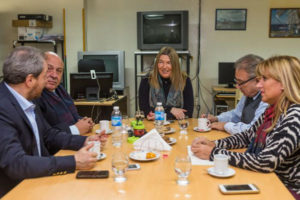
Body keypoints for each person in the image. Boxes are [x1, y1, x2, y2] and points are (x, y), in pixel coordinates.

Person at [0, 46, 107, 197]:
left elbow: (48, 135)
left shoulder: (28, 99)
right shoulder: (3, 107)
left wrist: (84, 141)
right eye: (44, 76)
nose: (47, 81)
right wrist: (73, 161)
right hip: (16, 190)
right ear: (30, 80)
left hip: (39, 178)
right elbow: (16, 164)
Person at [191, 56, 300, 199]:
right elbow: (248, 136)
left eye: (264, 79)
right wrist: (214, 144)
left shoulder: (294, 116)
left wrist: (214, 153)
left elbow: (265, 162)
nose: (259, 85)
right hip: (269, 180)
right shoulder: (273, 110)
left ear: (283, 83)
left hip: (285, 190)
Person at [206, 54, 268, 135]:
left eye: (241, 82)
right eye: (236, 81)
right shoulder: (248, 95)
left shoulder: (267, 99)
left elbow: (253, 130)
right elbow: (236, 115)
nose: (237, 87)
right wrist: (217, 119)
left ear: (257, 80)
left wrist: (226, 126)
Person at [35, 51, 94, 135]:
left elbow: (74, 117)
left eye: (59, 71)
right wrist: (76, 129)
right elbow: (46, 134)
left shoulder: (60, 89)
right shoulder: (35, 96)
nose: (54, 75)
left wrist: (85, 121)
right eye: (49, 69)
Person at [139, 46, 194, 120]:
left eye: (169, 63)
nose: (164, 67)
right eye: (161, 62)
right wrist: (171, 110)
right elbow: (145, 111)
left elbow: (188, 113)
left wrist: (161, 115)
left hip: (178, 127)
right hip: (154, 126)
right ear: (157, 64)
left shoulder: (185, 80)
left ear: (175, 65)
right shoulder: (146, 80)